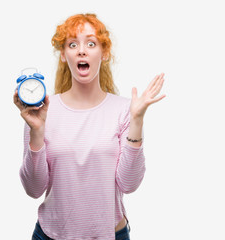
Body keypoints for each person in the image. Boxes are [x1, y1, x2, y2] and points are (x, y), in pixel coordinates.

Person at [13, 13, 166, 240]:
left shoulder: (125, 110)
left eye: (91, 43)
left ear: (104, 54)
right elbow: (34, 189)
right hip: (50, 235)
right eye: (72, 44)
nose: (81, 50)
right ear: (64, 56)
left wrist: (137, 120)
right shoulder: (42, 111)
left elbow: (129, 184)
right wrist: (36, 131)